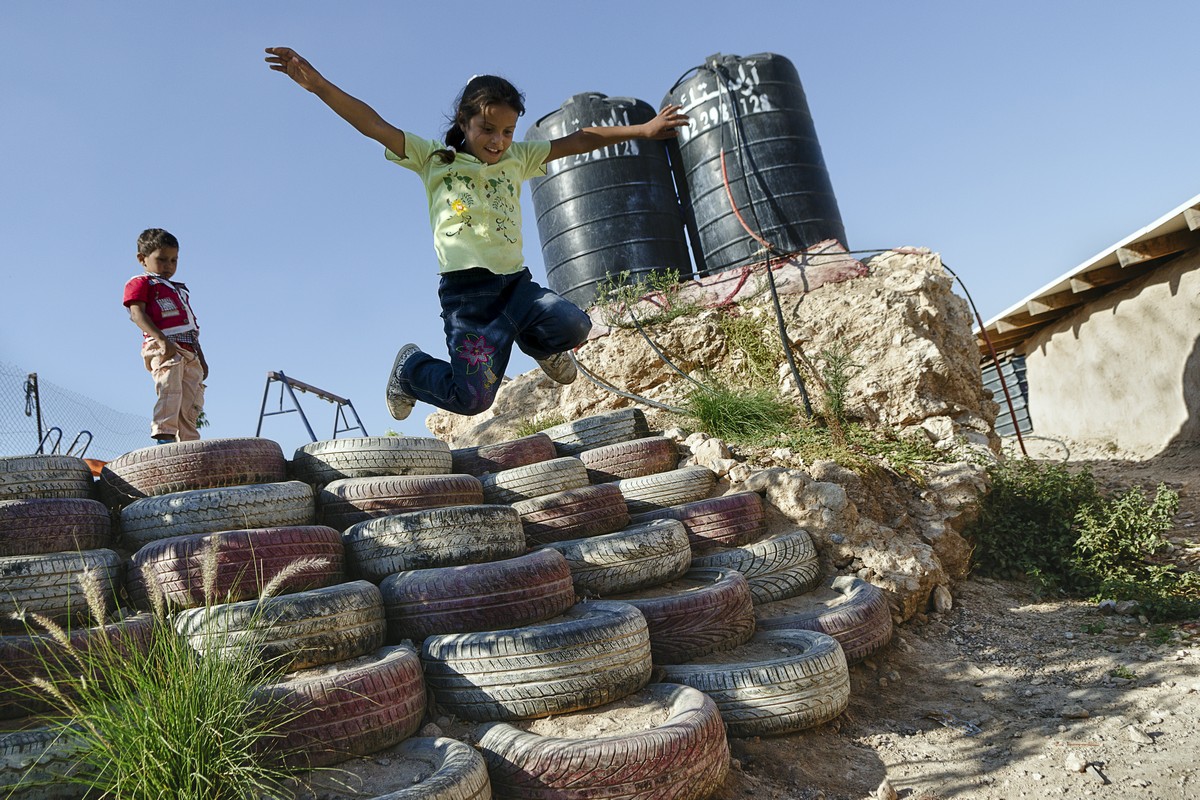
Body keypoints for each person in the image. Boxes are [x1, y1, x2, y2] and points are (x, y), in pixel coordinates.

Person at [265, 47, 688, 420]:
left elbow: (579, 139)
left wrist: (644, 129)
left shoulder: (519, 158)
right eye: (488, 129)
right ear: (463, 122)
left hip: (516, 288)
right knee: (472, 400)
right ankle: (411, 370)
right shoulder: (434, 159)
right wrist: (318, 84)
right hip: (468, 300)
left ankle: (542, 347)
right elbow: (372, 124)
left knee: (575, 325)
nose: (499, 141)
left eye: (507, 131)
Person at [123, 228, 208, 442]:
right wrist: (161, 340)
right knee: (169, 388)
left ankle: (188, 443)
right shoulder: (142, 282)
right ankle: (165, 436)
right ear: (142, 259)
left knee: (191, 398)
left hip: (189, 349)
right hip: (163, 345)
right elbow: (137, 314)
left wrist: (201, 357)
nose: (168, 266)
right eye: (162, 260)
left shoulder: (179, 290)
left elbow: (190, 328)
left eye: (173, 260)